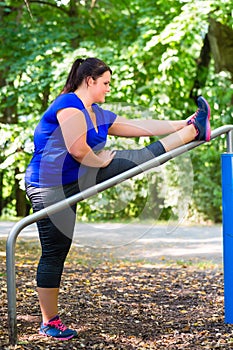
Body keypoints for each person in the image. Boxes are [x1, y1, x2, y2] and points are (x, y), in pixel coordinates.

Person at [25, 57, 211, 340]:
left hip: (77, 178)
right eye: (105, 83)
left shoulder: (96, 113)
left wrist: (181, 122)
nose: (108, 89)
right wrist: (100, 160)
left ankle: (193, 129)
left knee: (139, 159)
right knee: (55, 252)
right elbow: (79, 150)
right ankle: (49, 321)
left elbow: (139, 126)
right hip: (49, 186)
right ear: (89, 80)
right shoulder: (68, 106)